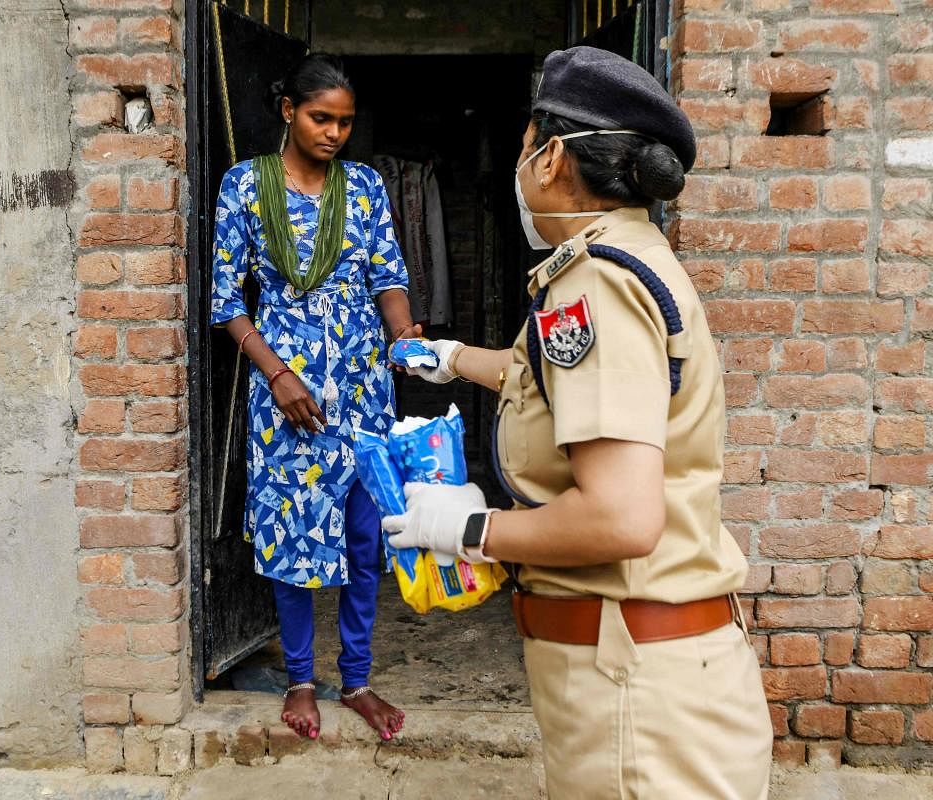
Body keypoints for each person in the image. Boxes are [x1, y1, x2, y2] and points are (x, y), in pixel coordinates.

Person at [384, 46, 773, 797]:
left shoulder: (592, 284)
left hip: (640, 707)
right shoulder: (627, 256)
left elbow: (622, 518)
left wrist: (471, 531)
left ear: (553, 156)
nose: (521, 164)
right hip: (641, 687)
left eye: (526, 146)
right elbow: (556, 383)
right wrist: (455, 357)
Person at [209, 54, 418, 742]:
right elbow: (226, 305)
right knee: (296, 536)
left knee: (364, 536)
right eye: (321, 118)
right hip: (287, 393)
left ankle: (355, 678)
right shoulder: (245, 187)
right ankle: (301, 677)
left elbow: (387, 275)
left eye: (345, 122)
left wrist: (404, 334)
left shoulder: (363, 187)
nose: (334, 133)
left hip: (363, 389)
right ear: (288, 111)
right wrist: (277, 374)